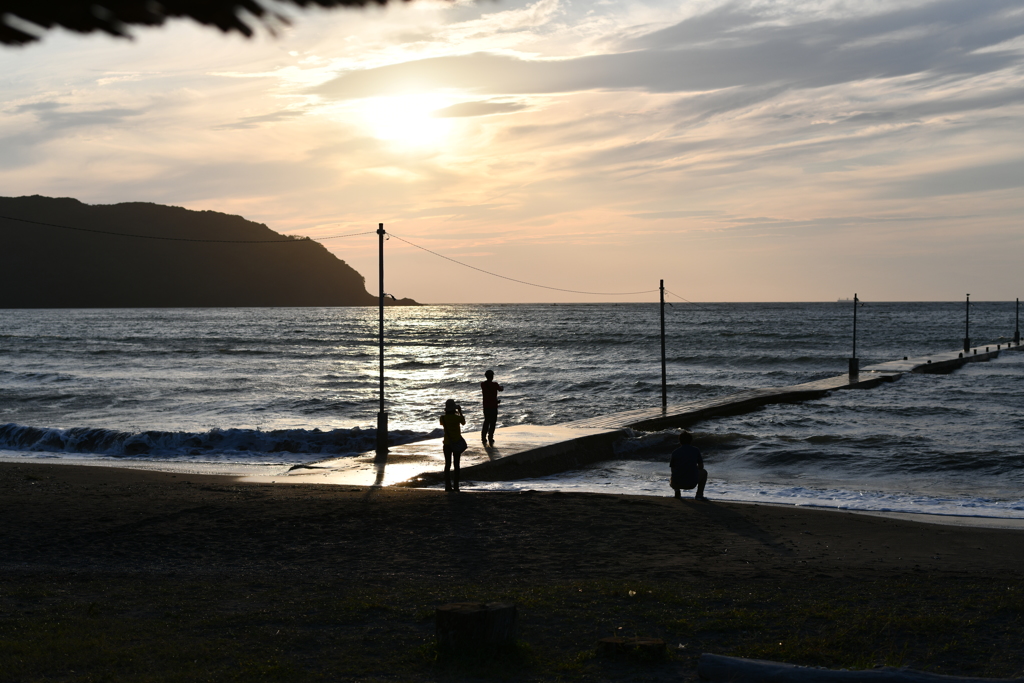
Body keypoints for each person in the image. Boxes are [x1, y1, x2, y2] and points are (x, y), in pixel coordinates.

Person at [670, 430, 708, 501]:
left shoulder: (675, 452)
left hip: (676, 483)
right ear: (691, 441)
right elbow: (701, 466)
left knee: (674, 473)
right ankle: (699, 495)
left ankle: (677, 492)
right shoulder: (696, 450)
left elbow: (672, 469)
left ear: (680, 441)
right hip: (691, 483)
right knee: (704, 472)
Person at [440, 399, 467, 492]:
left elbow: (442, 424)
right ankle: (456, 486)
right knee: (456, 465)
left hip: (447, 444)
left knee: (447, 465)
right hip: (456, 443)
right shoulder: (457, 418)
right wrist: (460, 412)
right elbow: (463, 422)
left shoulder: (442, 418)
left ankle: (447, 486)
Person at [480, 369, 504, 446]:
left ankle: (483, 437)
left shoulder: (483, 384)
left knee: (486, 422)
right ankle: (490, 437)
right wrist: (501, 387)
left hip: (486, 406)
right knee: (492, 423)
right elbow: (501, 389)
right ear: (492, 376)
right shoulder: (495, 385)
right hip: (493, 406)